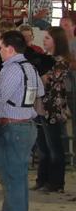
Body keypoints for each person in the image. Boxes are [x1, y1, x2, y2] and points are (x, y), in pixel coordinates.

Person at [0, 30, 44, 211]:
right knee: (16, 176)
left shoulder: (11, 69)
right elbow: (40, 93)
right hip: (25, 124)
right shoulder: (30, 68)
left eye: (0, 48)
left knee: (12, 177)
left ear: (10, 48)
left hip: (12, 127)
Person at [34, 26, 71, 193]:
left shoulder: (62, 61)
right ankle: (43, 179)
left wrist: (39, 74)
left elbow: (50, 80)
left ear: (56, 41)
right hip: (41, 107)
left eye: (48, 38)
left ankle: (56, 182)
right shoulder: (46, 59)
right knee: (43, 147)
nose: (44, 40)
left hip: (53, 109)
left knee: (54, 147)